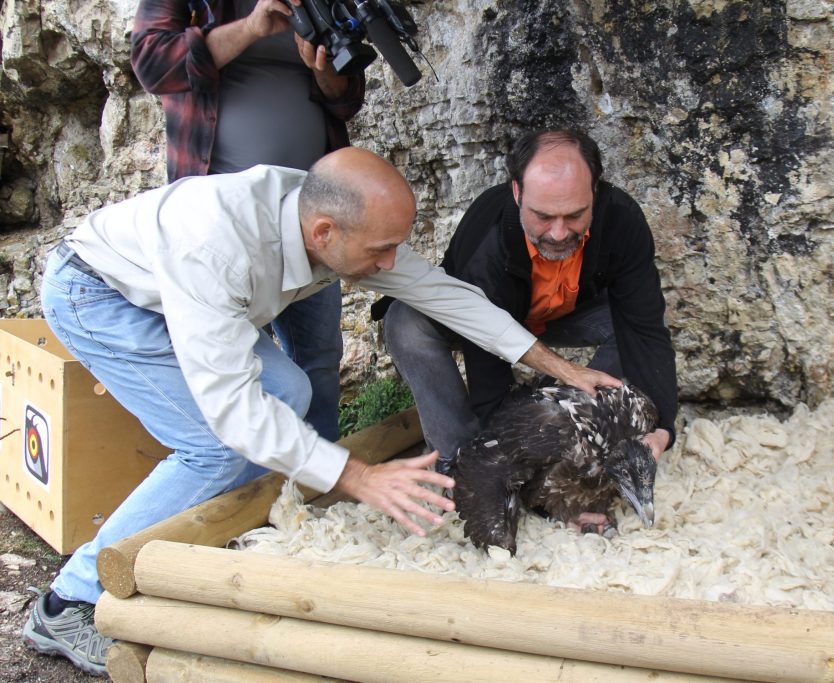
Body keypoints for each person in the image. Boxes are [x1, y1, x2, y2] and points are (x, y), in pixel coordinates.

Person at [21, 148, 617, 675]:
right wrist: (357, 475)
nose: (390, 265)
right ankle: (66, 603)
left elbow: (444, 295)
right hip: (100, 293)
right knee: (216, 443)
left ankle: (203, 548)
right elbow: (233, 412)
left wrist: (559, 366)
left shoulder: (340, 218)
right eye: (381, 251)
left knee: (289, 397)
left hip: (181, 294)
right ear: (324, 233)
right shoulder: (215, 247)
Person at [380, 129, 678, 483]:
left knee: (625, 321)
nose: (557, 233)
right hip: (478, 319)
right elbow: (486, 362)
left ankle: (582, 431)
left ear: (594, 195)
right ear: (517, 192)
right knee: (404, 322)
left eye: (575, 215)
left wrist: (663, 430)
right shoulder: (487, 238)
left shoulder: (622, 219)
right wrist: (507, 466)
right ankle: (458, 461)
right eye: (543, 216)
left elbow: (645, 329)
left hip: (559, 315)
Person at [131, 0, 367, 442]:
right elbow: (152, 64)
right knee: (237, 366)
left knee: (318, 357)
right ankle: (244, 487)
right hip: (222, 230)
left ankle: (321, 486)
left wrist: (324, 72)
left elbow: (347, 98)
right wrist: (251, 28)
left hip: (310, 215)